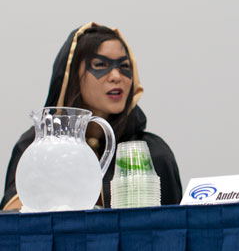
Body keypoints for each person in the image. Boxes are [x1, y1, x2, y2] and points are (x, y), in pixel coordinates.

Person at [1, 22, 183, 210]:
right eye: (100, 65)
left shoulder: (152, 152)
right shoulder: (39, 146)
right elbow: (15, 218)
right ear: (71, 74)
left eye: (124, 66)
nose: (116, 76)